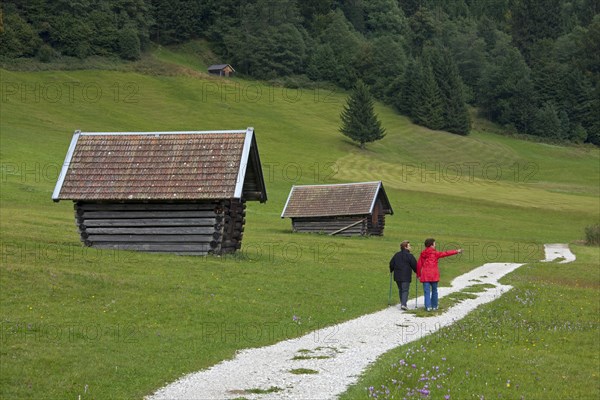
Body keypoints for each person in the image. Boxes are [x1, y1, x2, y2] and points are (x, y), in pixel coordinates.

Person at [416, 238, 462, 311]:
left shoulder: (423, 253)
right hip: (434, 274)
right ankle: (434, 306)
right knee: (434, 290)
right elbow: (446, 253)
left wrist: (418, 275)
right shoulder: (435, 253)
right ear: (431, 245)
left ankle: (428, 306)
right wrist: (456, 251)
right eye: (434, 244)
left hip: (425, 275)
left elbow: (419, 264)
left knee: (426, 291)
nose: (435, 245)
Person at [389, 240, 417, 310]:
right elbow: (414, 265)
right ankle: (403, 304)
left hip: (397, 275)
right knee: (405, 290)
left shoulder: (396, 255)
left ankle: (402, 303)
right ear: (405, 247)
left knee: (400, 289)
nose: (410, 247)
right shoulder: (410, 256)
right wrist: (417, 271)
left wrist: (391, 270)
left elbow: (391, 263)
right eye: (409, 246)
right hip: (406, 276)